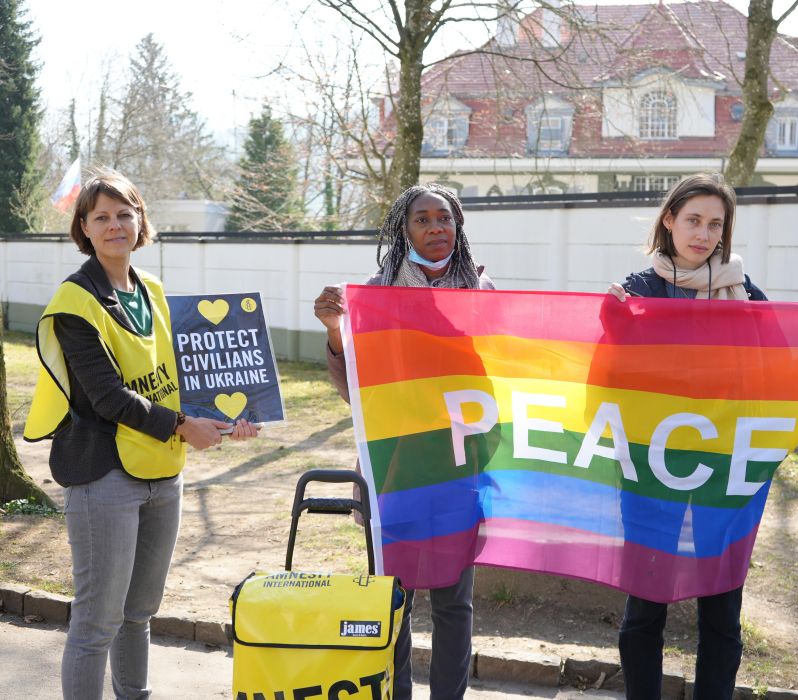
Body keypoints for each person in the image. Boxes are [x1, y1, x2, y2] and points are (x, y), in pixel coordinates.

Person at [607, 172, 798, 699]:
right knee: (645, 607)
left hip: (725, 469)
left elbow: (782, 370)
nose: (703, 233)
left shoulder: (745, 292)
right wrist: (614, 328)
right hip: (653, 468)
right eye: (693, 219)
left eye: (715, 224)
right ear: (669, 220)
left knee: (722, 611)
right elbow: (607, 381)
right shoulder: (638, 291)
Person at [23, 169, 258, 699]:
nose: (114, 225)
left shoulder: (151, 289)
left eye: (123, 214)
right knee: (97, 622)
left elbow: (185, 376)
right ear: (83, 228)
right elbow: (107, 396)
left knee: (138, 614)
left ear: (140, 221)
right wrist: (182, 426)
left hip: (162, 470)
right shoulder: (73, 302)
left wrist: (233, 415)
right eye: (101, 217)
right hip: (101, 474)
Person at [313, 183, 494, 700]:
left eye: (446, 218)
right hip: (394, 467)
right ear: (403, 229)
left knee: (454, 603)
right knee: (394, 598)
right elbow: (358, 394)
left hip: (461, 463)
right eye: (423, 219)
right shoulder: (375, 295)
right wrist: (334, 331)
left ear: (459, 227)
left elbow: (499, 379)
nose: (436, 228)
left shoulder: (482, 293)